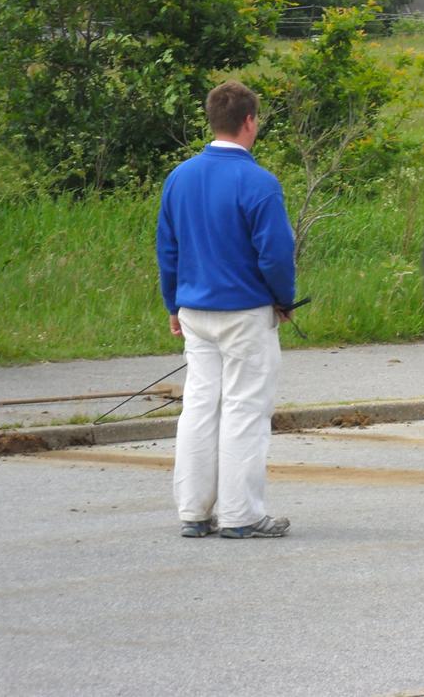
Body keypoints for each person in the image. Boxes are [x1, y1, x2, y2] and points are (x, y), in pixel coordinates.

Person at [156, 80, 296, 538]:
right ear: (250, 121)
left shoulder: (180, 177)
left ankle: (193, 512)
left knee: (199, 407)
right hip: (244, 312)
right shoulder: (259, 182)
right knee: (244, 410)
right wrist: (283, 299)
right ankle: (242, 515)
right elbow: (275, 254)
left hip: (194, 310)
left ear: (213, 120)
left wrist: (172, 303)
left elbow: (168, 249)